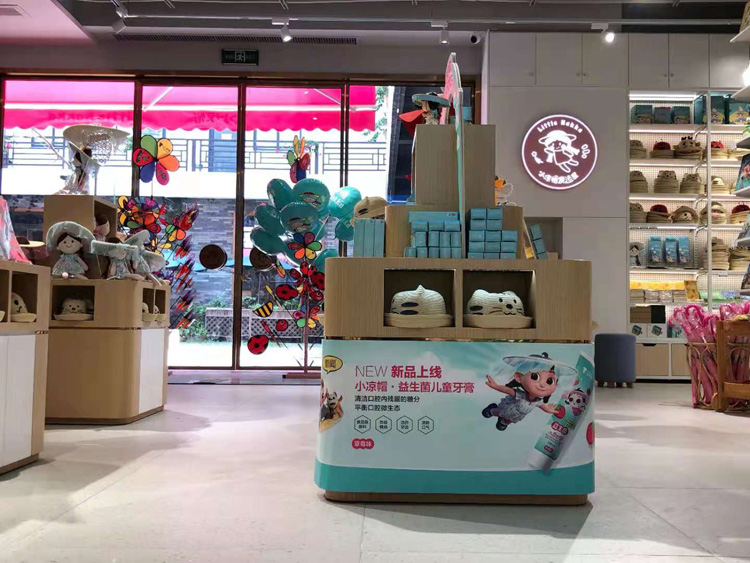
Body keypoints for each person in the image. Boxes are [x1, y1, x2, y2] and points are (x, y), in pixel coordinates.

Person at [481, 352, 561, 431]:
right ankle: (491, 410)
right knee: (499, 412)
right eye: (535, 377)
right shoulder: (521, 395)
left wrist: (548, 410)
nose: (543, 385)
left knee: (509, 420)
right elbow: (508, 390)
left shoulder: (537, 401)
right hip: (507, 410)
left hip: (517, 416)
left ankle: (503, 422)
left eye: (550, 381)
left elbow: (543, 406)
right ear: (519, 377)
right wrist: (496, 386)